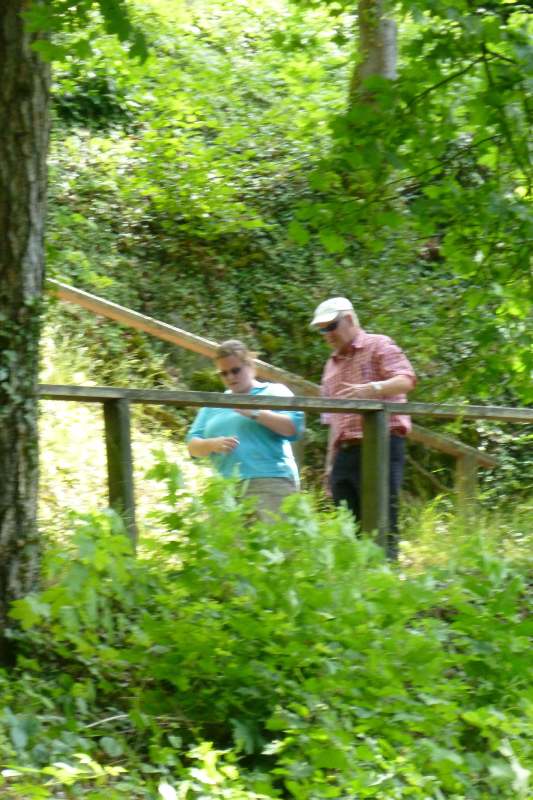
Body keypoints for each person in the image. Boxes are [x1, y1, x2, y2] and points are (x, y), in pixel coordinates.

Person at [310, 297, 416, 559]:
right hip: (345, 448)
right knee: (346, 516)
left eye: (331, 326)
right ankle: (358, 575)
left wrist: (373, 389)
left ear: (349, 319)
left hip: (381, 442)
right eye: (322, 329)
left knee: (382, 513)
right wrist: (329, 466)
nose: (327, 334)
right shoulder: (331, 365)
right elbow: (333, 419)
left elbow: (406, 379)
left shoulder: (378, 344)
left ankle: (386, 574)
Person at [186, 339, 304, 521]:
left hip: (270, 482)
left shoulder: (274, 392)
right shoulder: (213, 404)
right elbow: (192, 445)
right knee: (228, 549)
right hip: (226, 487)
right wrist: (212, 444)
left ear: (250, 366)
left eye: (235, 370)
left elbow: (293, 428)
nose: (230, 377)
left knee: (275, 548)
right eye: (223, 373)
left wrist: (256, 412)